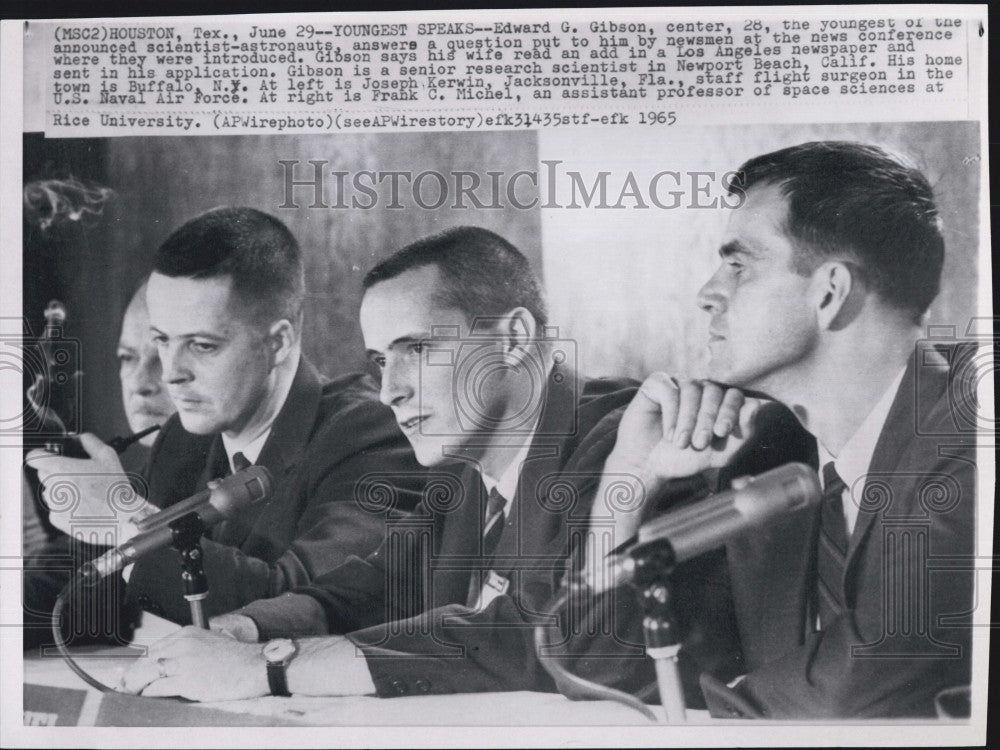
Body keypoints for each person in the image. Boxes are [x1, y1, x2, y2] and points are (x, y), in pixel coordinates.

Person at [118, 225, 729, 702]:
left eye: (418, 351)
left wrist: (270, 668)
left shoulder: (618, 438)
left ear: (514, 339)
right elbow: (369, 588)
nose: (391, 392)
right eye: (382, 361)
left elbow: (532, 636)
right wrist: (246, 630)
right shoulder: (463, 473)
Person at [574, 141, 976, 718]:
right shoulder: (770, 461)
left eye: (739, 266)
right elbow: (605, 672)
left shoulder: (971, 437)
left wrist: (722, 703)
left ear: (830, 291)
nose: (708, 294)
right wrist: (629, 485)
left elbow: (855, 691)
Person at [27, 207, 424, 628]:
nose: (171, 373)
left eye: (201, 345)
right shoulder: (184, 437)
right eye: (163, 340)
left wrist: (120, 516)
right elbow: (95, 586)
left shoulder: (371, 433)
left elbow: (304, 605)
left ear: (278, 343)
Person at [22, 278, 177, 649]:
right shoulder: (150, 474)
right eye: (128, 358)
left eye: (163, 356)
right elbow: (53, 592)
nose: (139, 383)